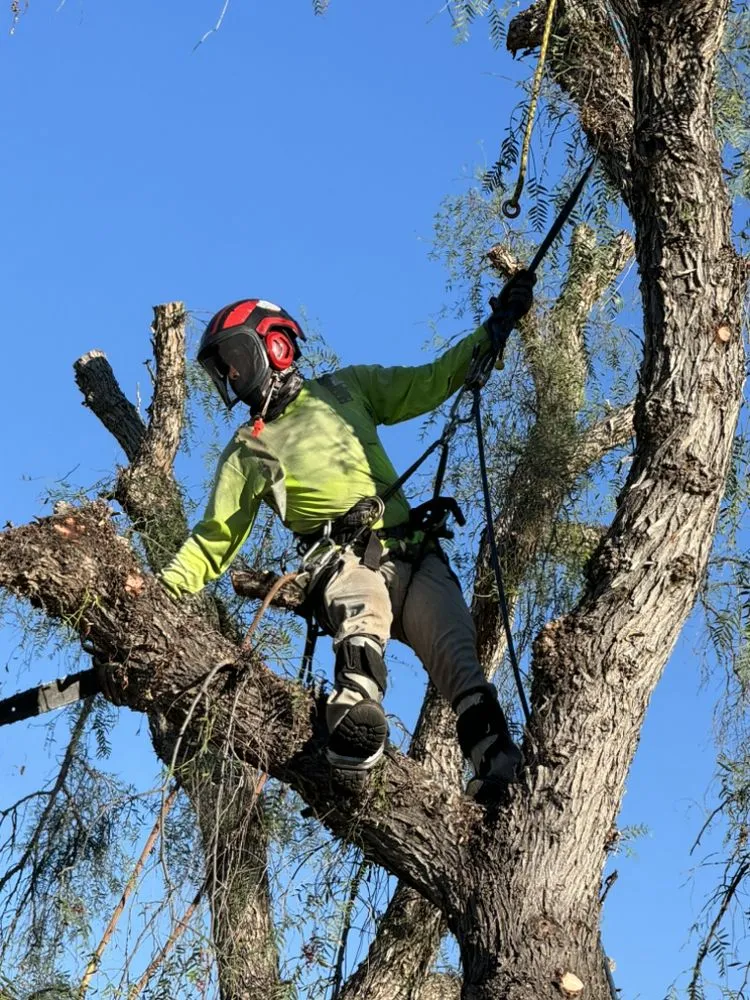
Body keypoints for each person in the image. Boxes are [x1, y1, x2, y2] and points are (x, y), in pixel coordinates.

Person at [160, 280, 534, 803]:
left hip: (414, 551)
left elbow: (432, 380)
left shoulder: (346, 389)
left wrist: (492, 333)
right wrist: (161, 591)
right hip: (345, 559)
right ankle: (354, 720)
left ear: (275, 346)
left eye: (236, 359)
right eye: (224, 370)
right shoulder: (249, 448)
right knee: (363, 609)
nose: (232, 376)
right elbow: (213, 540)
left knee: (458, 655)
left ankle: (494, 764)